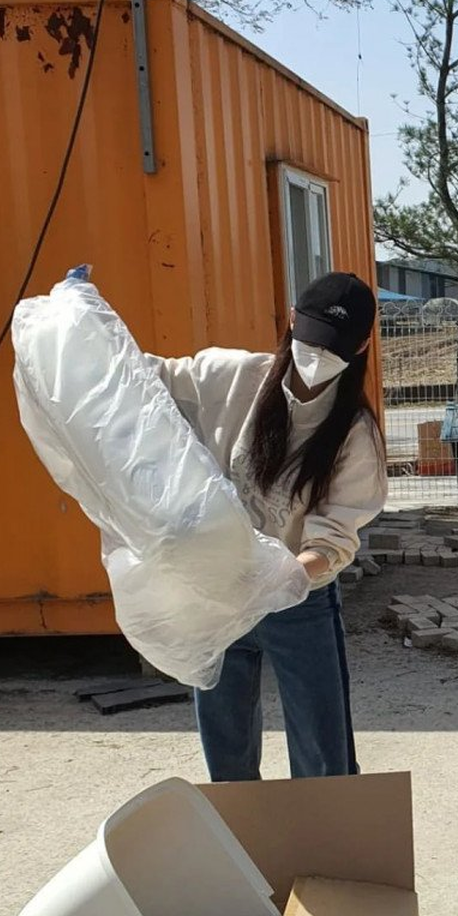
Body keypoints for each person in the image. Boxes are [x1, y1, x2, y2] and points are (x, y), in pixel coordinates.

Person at [150, 272, 387, 781]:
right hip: (219, 587)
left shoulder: (352, 432)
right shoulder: (231, 378)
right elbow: (139, 380)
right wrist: (80, 321)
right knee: (226, 743)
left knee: (323, 752)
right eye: (314, 340)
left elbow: (334, 539)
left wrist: (286, 575)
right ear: (292, 321)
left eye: (337, 348)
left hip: (298, 597)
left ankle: (325, 846)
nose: (319, 358)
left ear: (363, 344)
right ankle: (243, 844)